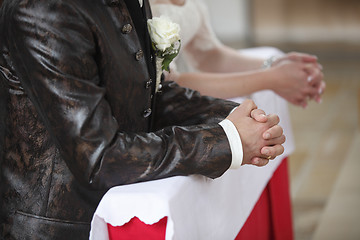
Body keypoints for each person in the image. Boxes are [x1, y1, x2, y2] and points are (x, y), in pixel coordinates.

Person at [0, 0, 285, 239]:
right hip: (61, 225)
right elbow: (100, 156)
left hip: (117, 202)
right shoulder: (44, 9)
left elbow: (148, 96)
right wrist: (228, 141)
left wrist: (238, 119)